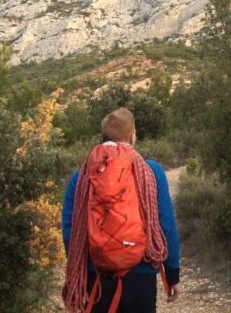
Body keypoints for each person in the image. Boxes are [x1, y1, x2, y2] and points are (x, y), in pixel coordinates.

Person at [62, 108, 181, 313]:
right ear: (132, 136)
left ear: (103, 137)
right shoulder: (152, 171)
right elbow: (165, 224)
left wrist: (81, 269)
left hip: (97, 277)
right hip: (140, 277)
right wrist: (172, 275)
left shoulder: (81, 177)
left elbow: (69, 230)